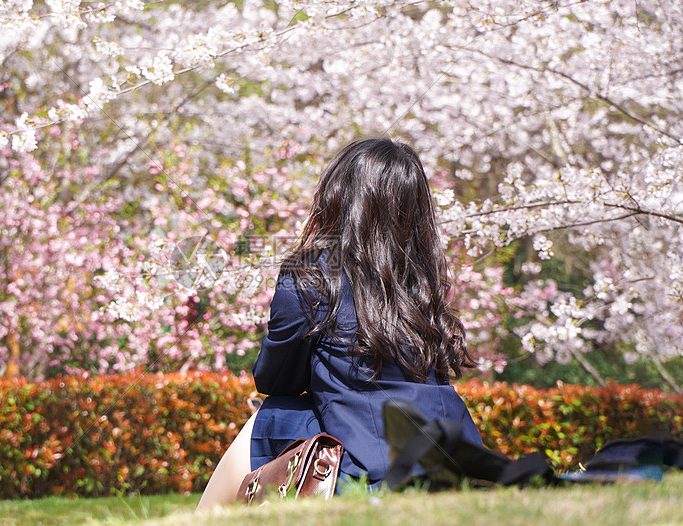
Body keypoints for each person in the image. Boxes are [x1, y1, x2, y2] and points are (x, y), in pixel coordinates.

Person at [197, 137, 482, 509]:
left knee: (266, 416)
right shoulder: (422, 280)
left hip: (368, 466)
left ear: (336, 198)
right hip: (455, 459)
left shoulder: (313, 273)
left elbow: (274, 380)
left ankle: (203, 518)